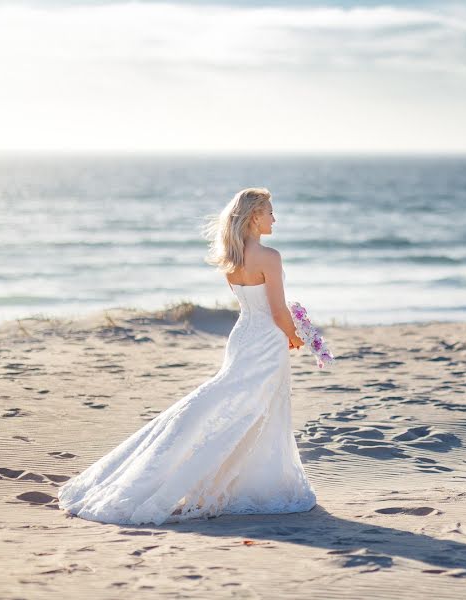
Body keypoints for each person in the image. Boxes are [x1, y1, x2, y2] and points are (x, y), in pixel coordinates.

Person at [57, 187, 318, 525]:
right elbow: (279, 312)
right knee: (258, 409)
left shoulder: (233, 260)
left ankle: (240, 481)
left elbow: (252, 308)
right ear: (255, 216)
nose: (274, 218)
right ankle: (251, 485)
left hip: (243, 337)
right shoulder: (270, 257)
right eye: (270, 212)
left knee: (238, 406)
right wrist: (299, 337)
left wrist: (291, 332)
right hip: (266, 342)